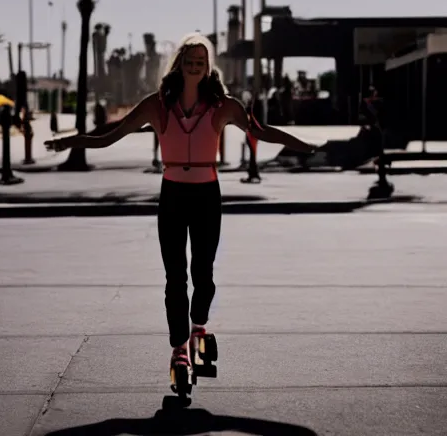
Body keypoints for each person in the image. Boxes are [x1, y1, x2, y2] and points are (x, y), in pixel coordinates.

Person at [44, 34, 315, 375]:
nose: (195, 65)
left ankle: (198, 324)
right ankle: (179, 347)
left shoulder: (223, 105)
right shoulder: (157, 104)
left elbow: (260, 131)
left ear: (208, 65)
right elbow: (112, 133)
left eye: (201, 61)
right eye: (189, 59)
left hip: (206, 196)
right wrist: (68, 141)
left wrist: (304, 145)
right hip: (172, 195)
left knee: (203, 273)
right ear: (179, 63)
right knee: (175, 277)